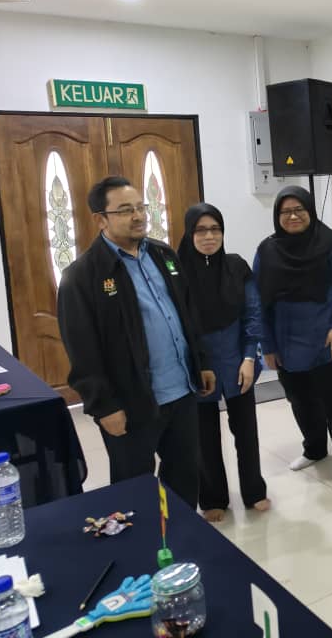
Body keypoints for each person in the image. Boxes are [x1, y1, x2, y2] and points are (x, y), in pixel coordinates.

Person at [57, 176, 215, 507]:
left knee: (184, 477)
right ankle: (143, 540)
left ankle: (181, 532)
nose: (138, 216)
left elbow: (187, 314)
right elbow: (82, 350)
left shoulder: (163, 255)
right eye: (126, 210)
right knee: (134, 491)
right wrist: (104, 406)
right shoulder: (82, 276)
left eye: (141, 207)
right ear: (101, 219)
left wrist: (201, 362)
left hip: (182, 391)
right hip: (131, 403)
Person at [254, 186, 332, 492]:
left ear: (310, 211)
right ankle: (314, 449)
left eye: (299, 210)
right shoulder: (267, 250)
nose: (293, 216)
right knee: (301, 402)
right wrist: (268, 346)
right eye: (285, 212)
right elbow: (258, 301)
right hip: (288, 344)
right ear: (277, 216)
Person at [177, 203, 270, 522]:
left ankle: (254, 491)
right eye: (201, 230)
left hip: (236, 359)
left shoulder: (236, 266)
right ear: (189, 234)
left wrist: (249, 357)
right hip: (198, 364)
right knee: (203, 436)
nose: (209, 236)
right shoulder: (177, 274)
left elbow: (253, 313)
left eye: (215, 229)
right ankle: (212, 497)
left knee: (246, 431)